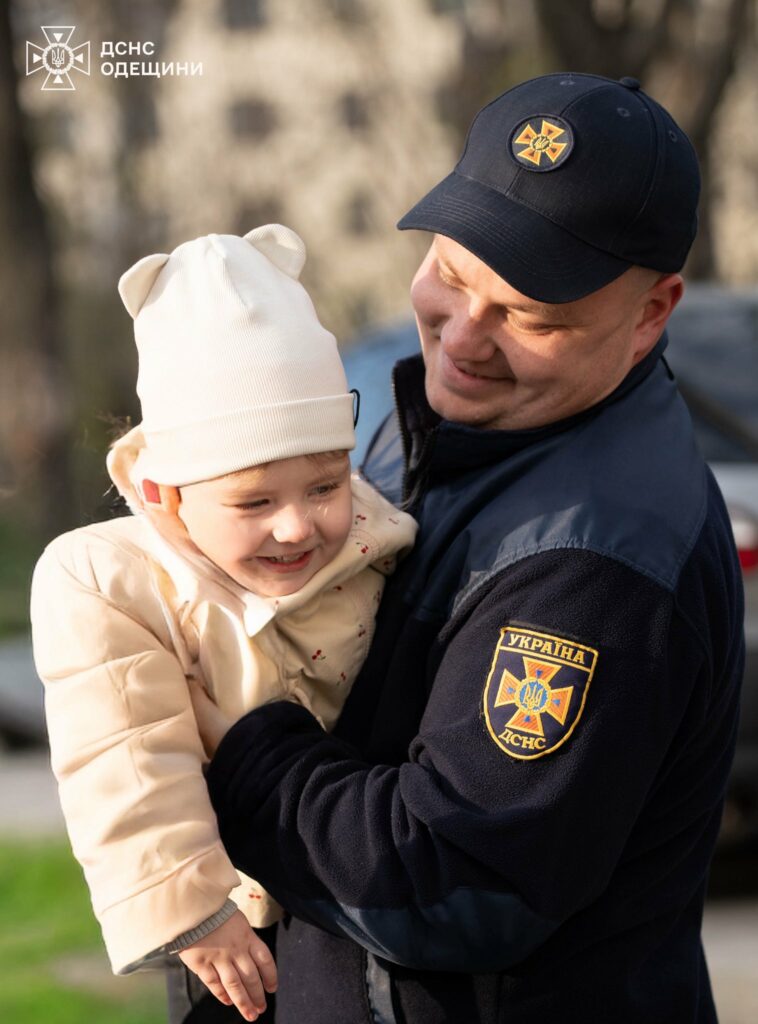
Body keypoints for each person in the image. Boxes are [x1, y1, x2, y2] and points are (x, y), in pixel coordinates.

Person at [189, 74, 745, 1023]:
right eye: (451, 270)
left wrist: (223, 738)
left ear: (652, 312)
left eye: (531, 316)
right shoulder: (437, 429)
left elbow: (447, 881)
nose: (464, 339)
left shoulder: (596, 561)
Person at [29, 224, 416, 1023]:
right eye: (254, 502)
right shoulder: (117, 581)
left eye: (323, 485)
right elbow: (126, 760)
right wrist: (190, 910)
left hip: (355, 892)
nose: (296, 527)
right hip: (228, 923)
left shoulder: (383, 541)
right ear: (167, 493)